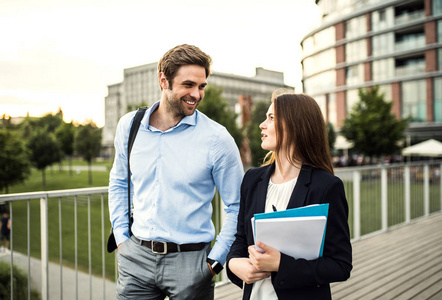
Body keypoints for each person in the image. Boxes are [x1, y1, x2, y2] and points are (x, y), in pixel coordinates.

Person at [108, 44, 244, 300]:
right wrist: (121, 238)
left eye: (202, 86)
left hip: (192, 264)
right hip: (135, 257)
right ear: (164, 81)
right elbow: (118, 182)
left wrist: (214, 262)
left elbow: (236, 205)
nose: (197, 94)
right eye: (188, 85)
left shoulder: (217, 139)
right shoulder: (129, 126)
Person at [226, 91, 352, 300]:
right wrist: (233, 264)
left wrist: (281, 265)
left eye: (271, 118)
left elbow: (340, 265)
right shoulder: (252, 180)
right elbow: (240, 239)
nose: (262, 124)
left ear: (295, 125)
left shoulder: (327, 187)